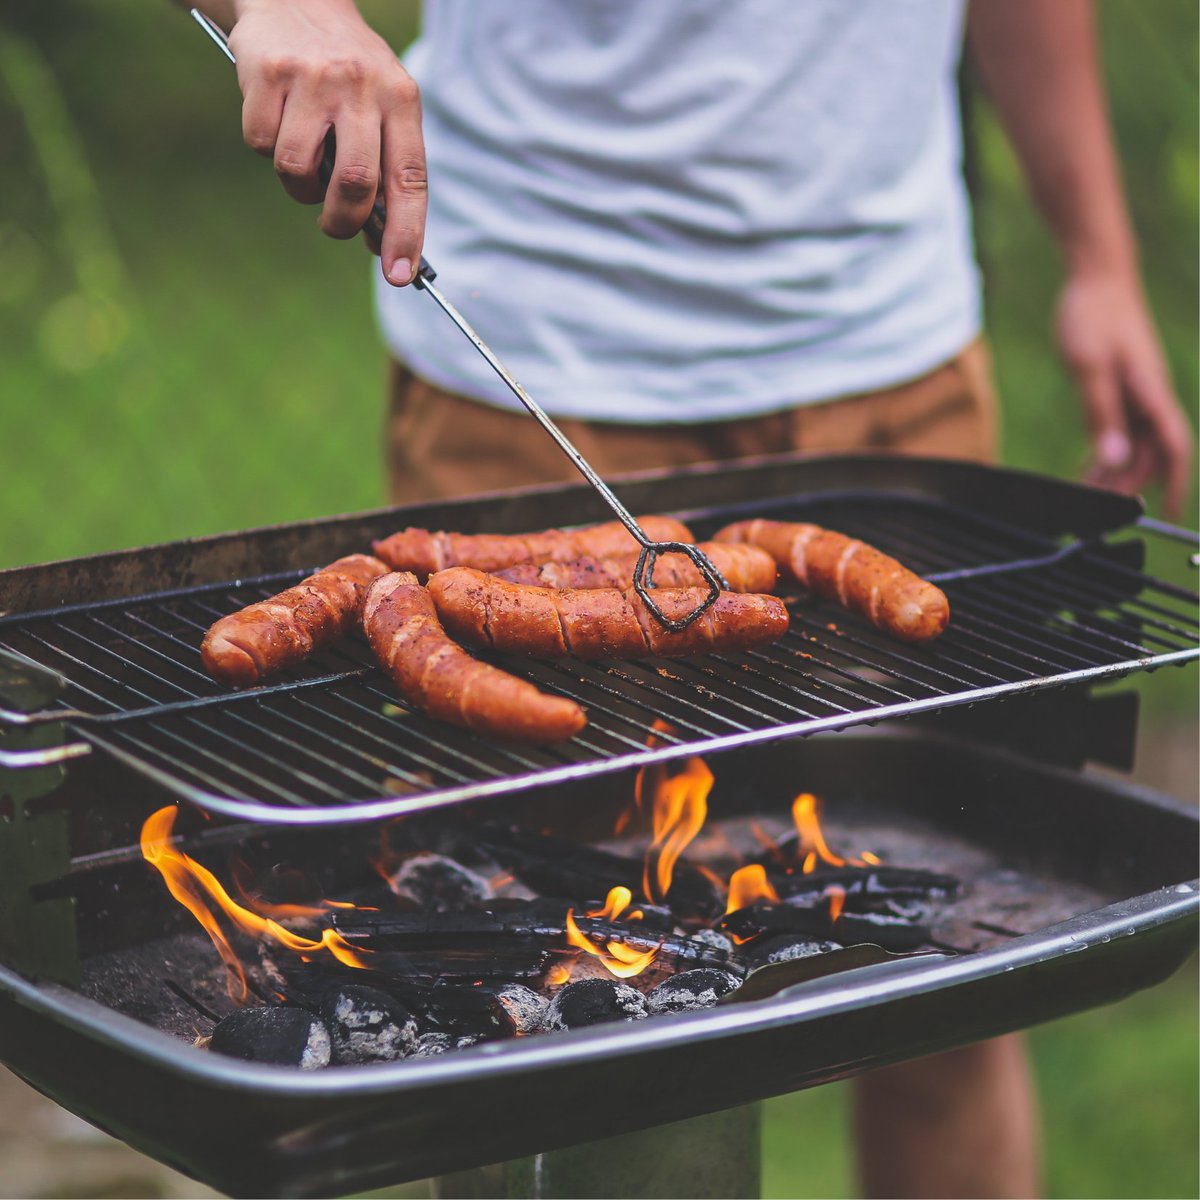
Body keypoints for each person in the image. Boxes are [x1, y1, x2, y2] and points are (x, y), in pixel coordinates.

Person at [192, 2, 1192, 1195]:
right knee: (534, 1013)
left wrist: (1100, 259)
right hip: (532, 368)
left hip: (892, 362)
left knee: (939, 986)